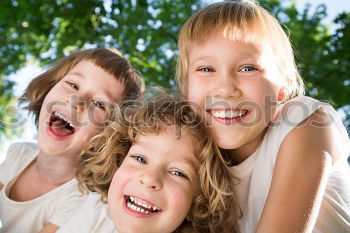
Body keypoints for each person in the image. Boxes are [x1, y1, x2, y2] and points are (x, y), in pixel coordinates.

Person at [175, 1, 350, 233]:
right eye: (206, 69)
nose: (225, 88)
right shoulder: (188, 158)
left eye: (248, 68)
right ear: (186, 88)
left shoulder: (305, 122)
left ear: (283, 87)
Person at [0, 48, 143, 233]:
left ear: (107, 135)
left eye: (99, 103)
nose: (77, 100)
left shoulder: (79, 197)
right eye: (73, 85)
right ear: (49, 88)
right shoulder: (19, 154)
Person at [57, 91, 240, 233]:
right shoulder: (96, 209)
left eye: (178, 173)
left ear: (199, 203)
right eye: (139, 159)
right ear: (118, 163)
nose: (150, 178)